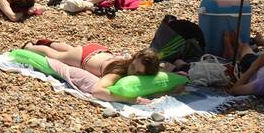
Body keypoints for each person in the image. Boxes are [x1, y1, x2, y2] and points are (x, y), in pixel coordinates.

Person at [20, 40, 161, 87]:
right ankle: (30, 47)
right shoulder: (117, 73)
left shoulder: (127, 61)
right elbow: (99, 88)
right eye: (133, 67)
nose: (133, 72)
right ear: (133, 58)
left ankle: (54, 42)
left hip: (98, 50)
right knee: (56, 56)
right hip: (83, 58)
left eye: (137, 72)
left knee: (69, 50)